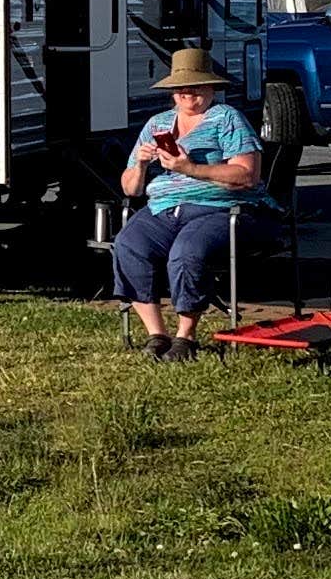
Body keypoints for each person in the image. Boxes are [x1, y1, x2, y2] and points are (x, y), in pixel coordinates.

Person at [112, 48, 263, 355]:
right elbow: (130, 189)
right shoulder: (157, 124)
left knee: (187, 251)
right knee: (129, 244)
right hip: (164, 207)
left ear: (211, 88)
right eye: (181, 89)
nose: (188, 95)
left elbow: (248, 175)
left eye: (195, 88)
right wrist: (140, 165)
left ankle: (186, 336)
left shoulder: (227, 118)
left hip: (220, 206)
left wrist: (190, 168)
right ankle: (157, 335)